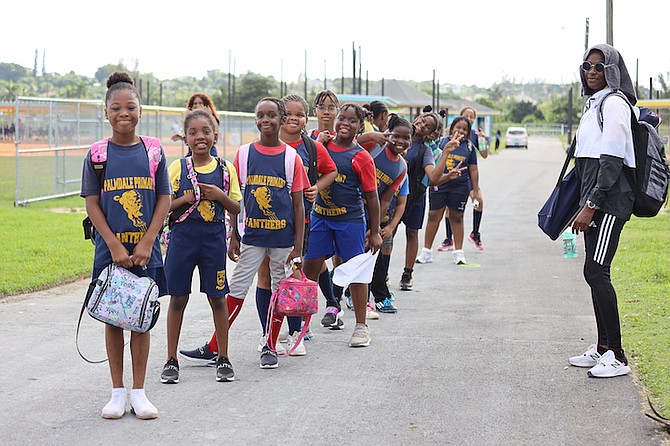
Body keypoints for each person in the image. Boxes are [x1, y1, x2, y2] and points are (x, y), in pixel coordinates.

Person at [80, 71, 171, 419]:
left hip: (146, 251)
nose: (123, 113)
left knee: (142, 318)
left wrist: (148, 241)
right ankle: (117, 392)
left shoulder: (153, 151)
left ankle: (139, 392)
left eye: (130, 107)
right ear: (106, 112)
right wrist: (115, 246)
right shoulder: (98, 154)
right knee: (115, 318)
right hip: (111, 253)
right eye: (116, 108)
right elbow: (92, 203)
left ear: (140, 109)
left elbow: (164, 198)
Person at [567, 43, 636, 378]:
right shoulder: (593, 103)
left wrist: (591, 205)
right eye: (587, 66)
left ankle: (618, 356)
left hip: (609, 202)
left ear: (613, 70)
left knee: (597, 272)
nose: (591, 72)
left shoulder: (615, 103)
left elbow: (611, 162)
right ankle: (602, 347)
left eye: (599, 67)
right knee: (592, 273)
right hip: (595, 201)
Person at [160, 109, 241, 384]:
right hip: (183, 238)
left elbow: (237, 207)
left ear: (215, 135)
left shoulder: (225, 169)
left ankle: (224, 357)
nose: (200, 137)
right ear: (185, 138)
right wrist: (183, 199)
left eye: (205, 132)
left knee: (217, 298)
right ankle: (171, 359)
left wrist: (219, 195)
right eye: (193, 133)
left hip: (213, 239)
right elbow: (163, 208)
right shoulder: (176, 168)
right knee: (178, 298)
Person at [302, 103, 382, 347]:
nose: (345, 123)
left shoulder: (361, 157)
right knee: (309, 271)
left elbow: (372, 197)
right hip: (321, 218)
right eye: (342, 118)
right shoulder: (320, 147)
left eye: (352, 121)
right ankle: (300, 326)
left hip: (350, 221)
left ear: (360, 127)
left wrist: (375, 231)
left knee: (357, 272)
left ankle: (360, 327)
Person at [398, 111, 457, 290]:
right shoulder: (398, 135)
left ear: (431, 133)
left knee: (412, 232)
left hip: (415, 197)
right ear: (417, 118)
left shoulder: (426, 151)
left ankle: (407, 273)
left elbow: (433, 178)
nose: (422, 124)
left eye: (428, 126)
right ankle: (381, 272)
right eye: (423, 120)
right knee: (387, 234)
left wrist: (446, 158)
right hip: (392, 196)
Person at [418, 116, 480, 265]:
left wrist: (475, 190)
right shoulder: (441, 143)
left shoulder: (469, 148)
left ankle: (459, 253)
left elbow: (474, 170)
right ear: (452, 128)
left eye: (465, 129)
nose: (461, 131)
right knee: (433, 215)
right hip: (440, 183)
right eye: (458, 127)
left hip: (460, 186)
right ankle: (426, 252)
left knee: (457, 217)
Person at [367, 114, 409, 313]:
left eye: (406, 137)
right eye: (396, 135)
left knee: (376, 257)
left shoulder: (401, 167)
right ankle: (346, 295)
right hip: (352, 211)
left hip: (379, 218)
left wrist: (377, 227)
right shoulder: (374, 147)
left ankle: (379, 296)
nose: (400, 141)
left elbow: (389, 200)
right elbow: (350, 146)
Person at [436, 106, 486, 253]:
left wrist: (482, 140)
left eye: (472, 117)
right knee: (448, 207)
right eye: (467, 115)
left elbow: (484, 154)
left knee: (478, 201)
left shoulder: (475, 135)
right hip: (451, 173)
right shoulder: (452, 132)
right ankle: (448, 238)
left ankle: (475, 233)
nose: (469, 118)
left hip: (468, 175)